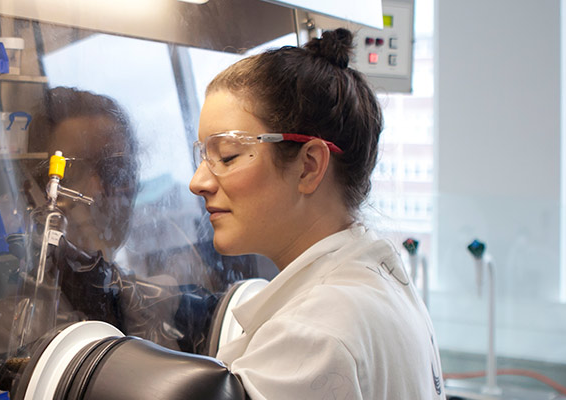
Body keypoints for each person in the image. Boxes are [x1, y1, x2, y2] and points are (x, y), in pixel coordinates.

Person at [187, 28, 444, 399]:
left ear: (309, 166)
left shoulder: (313, 334)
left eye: (226, 156)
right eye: (203, 156)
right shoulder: (376, 280)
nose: (198, 182)